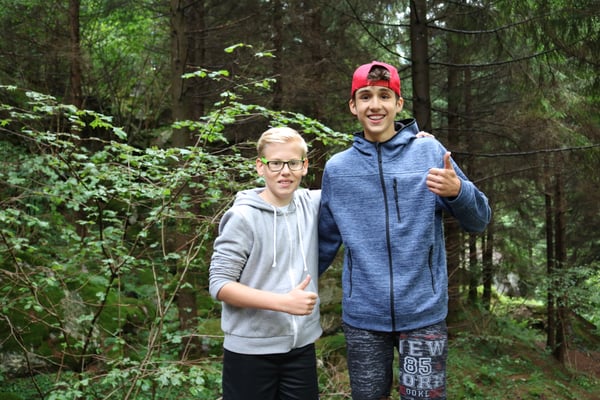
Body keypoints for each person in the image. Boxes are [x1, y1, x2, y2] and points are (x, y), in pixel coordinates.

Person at [318, 61, 492, 400]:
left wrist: (458, 191)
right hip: (363, 318)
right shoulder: (338, 169)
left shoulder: (429, 152)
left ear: (399, 104)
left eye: (385, 96)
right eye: (365, 96)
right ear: (353, 106)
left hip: (423, 314)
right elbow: (323, 243)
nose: (375, 105)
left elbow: (479, 220)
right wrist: (281, 291)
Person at [209, 127, 322, 400]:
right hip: (250, 351)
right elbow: (219, 285)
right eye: (275, 163)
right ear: (261, 166)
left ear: (304, 166)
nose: (285, 172)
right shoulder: (242, 217)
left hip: (301, 349)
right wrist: (283, 302)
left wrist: (411, 143)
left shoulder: (311, 204)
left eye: (293, 163)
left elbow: (359, 181)